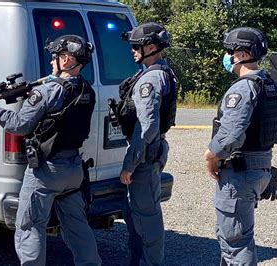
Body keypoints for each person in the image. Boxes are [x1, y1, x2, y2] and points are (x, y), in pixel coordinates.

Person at [0, 35, 101, 266]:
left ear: (66, 59)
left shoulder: (48, 91)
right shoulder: (87, 89)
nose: (52, 62)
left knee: (30, 227)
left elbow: (19, 125)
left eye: (55, 57)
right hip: (73, 170)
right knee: (77, 227)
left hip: (46, 172)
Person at [203, 27, 277, 265]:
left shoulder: (242, 88)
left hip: (239, 173)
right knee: (232, 237)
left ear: (241, 54)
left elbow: (230, 136)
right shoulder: (271, 85)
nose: (227, 57)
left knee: (236, 243)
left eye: (229, 52)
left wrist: (210, 156)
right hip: (261, 168)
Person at [117, 22, 178, 265]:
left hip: (143, 157)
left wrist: (130, 164)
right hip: (153, 152)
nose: (132, 50)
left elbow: (147, 126)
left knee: (146, 219)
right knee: (137, 216)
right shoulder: (163, 73)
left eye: (136, 46)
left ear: (151, 47)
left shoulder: (150, 80)